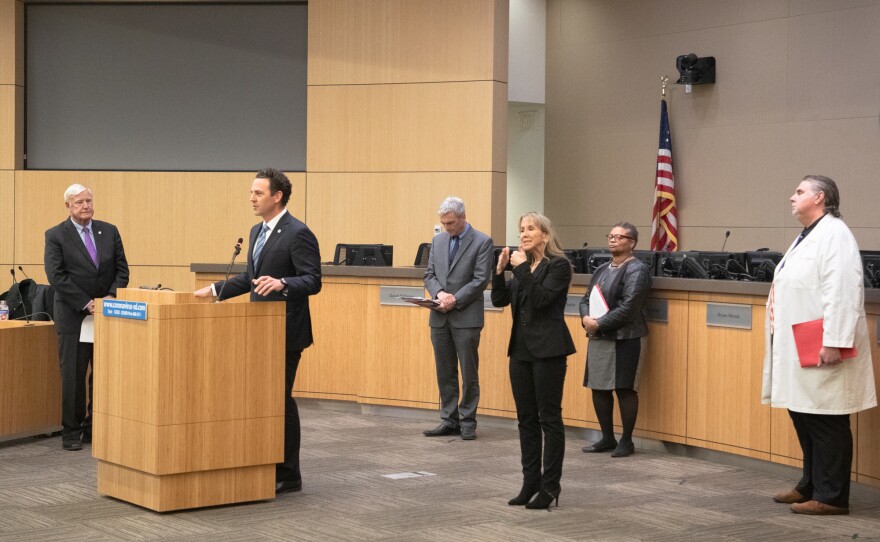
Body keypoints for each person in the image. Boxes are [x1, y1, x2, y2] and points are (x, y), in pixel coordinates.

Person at [194, 168, 321, 495]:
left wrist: (283, 283)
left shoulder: (298, 232)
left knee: (279, 399)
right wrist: (213, 289)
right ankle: (265, 462)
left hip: (285, 331)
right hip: (257, 329)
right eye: (251, 192)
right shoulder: (256, 231)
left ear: (277, 196)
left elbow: (313, 280)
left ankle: (289, 474)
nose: (252, 198)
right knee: (262, 400)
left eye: (258, 193)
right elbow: (251, 277)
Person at [763, 175, 876, 515]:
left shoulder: (835, 235)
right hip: (801, 340)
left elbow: (843, 291)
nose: (791, 197)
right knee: (804, 414)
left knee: (826, 419)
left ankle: (832, 497)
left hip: (822, 342)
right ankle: (809, 485)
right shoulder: (809, 234)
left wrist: (835, 341)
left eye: (799, 192)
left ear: (820, 197)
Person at [492, 212, 576, 509]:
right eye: (521, 230)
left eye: (530, 229)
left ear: (545, 235)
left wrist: (522, 270)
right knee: (526, 419)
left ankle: (551, 486)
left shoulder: (559, 266)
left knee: (548, 418)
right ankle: (530, 482)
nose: (524, 234)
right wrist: (500, 271)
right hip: (521, 351)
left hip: (549, 350)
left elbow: (541, 300)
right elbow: (500, 301)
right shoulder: (522, 268)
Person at [45, 184, 129, 451]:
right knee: (73, 375)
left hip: (106, 314)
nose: (86, 206)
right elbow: (56, 276)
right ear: (68, 206)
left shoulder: (109, 230)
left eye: (89, 200)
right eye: (79, 202)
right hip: (74, 315)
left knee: (103, 375)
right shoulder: (56, 235)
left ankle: (95, 429)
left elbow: (122, 269)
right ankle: (71, 433)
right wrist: (86, 303)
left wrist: (111, 297)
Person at [422, 197, 493, 440]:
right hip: (439, 316)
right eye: (443, 223)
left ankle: (468, 420)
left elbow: (481, 279)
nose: (447, 228)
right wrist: (439, 293)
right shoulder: (438, 240)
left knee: (469, 371)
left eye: (451, 223)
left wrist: (455, 298)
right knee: (445, 370)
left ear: (463, 217)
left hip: (466, 316)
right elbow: (429, 274)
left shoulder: (482, 242)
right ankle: (448, 419)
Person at [579, 222, 652, 458]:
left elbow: (629, 307)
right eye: (610, 236)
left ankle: (627, 440)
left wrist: (598, 323)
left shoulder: (637, 269)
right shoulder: (602, 268)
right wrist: (586, 318)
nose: (613, 240)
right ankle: (607, 438)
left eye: (619, 237)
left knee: (624, 388)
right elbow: (585, 299)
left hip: (626, 337)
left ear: (632, 243)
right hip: (599, 336)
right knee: (598, 387)